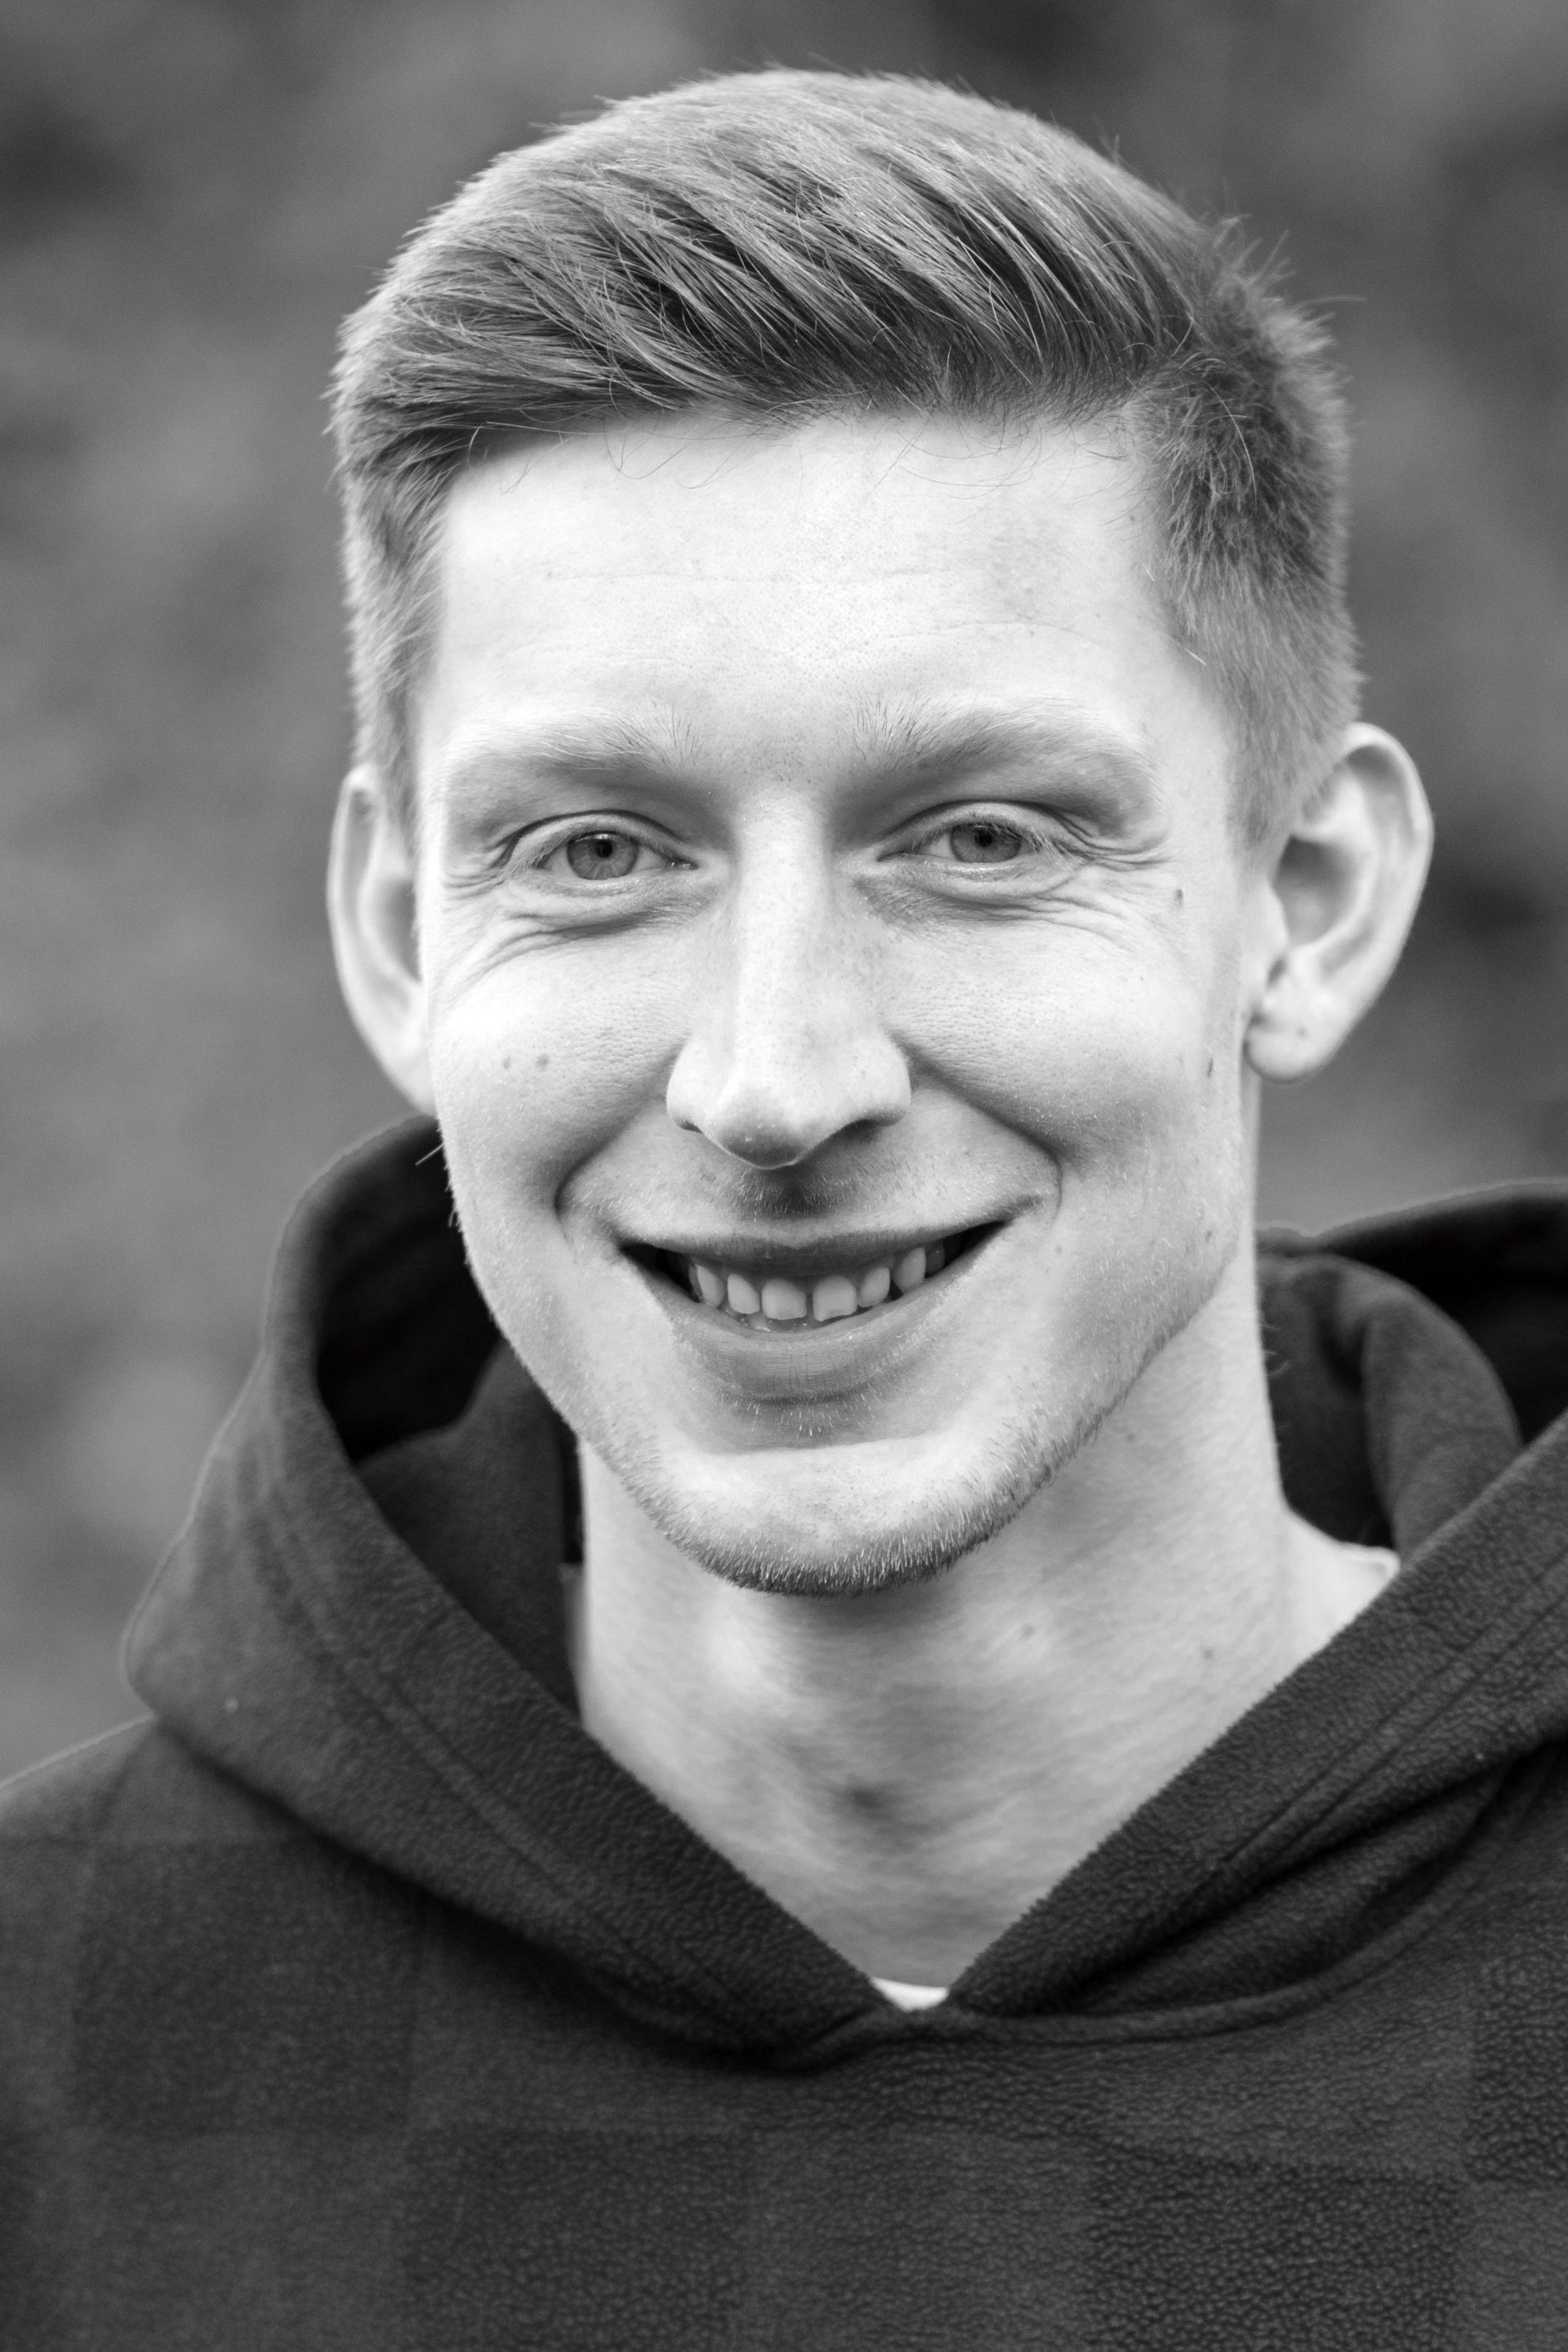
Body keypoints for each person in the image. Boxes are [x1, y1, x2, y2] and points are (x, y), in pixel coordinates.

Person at [5, 66, 1567, 2349]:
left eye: (983, 837)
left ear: (1306, 903)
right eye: (595, 853)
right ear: (399, 938)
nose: (771, 1075)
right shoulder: (53, 2066)